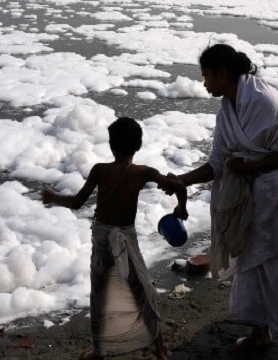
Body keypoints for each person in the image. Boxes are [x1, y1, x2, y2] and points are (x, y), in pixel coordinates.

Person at [162, 44, 278, 360]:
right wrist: (181, 180)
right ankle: (260, 332)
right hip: (264, 195)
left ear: (221, 73)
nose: (203, 84)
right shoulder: (227, 111)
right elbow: (217, 163)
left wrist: (247, 167)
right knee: (253, 262)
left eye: (206, 76)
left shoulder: (264, 99)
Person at [42, 117, 187, 360]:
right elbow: (179, 187)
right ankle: (160, 351)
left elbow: (77, 203)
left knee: (99, 295)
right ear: (138, 146)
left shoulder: (100, 170)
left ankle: (99, 352)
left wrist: (53, 196)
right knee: (140, 290)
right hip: (125, 239)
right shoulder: (143, 173)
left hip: (101, 238)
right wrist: (182, 209)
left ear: (111, 145)